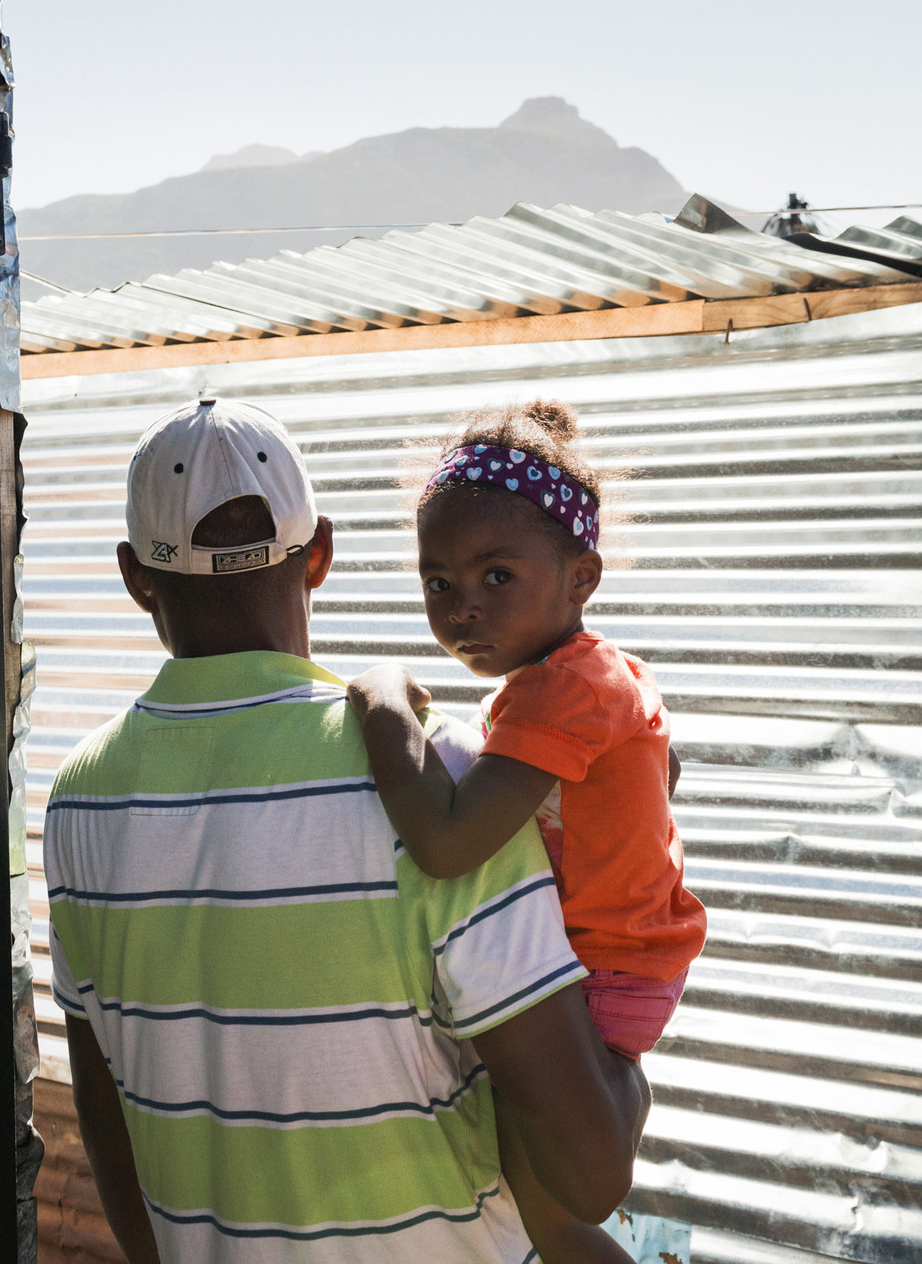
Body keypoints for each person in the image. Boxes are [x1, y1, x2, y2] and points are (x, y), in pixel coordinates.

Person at [45, 398, 649, 1264]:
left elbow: (108, 1117)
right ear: (320, 552)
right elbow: (593, 1175)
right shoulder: (434, 771)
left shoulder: (79, 800)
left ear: (136, 576)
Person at [347, 401, 706, 1264]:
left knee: (564, 1206)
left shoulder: (563, 690)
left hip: (601, 975)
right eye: (440, 584)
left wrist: (380, 703)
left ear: (581, 577)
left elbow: (446, 841)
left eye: (496, 577)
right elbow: (667, 772)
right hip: (630, 957)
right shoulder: (599, 671)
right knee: (543, 1218)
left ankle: (616, 1086)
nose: (463, 607)